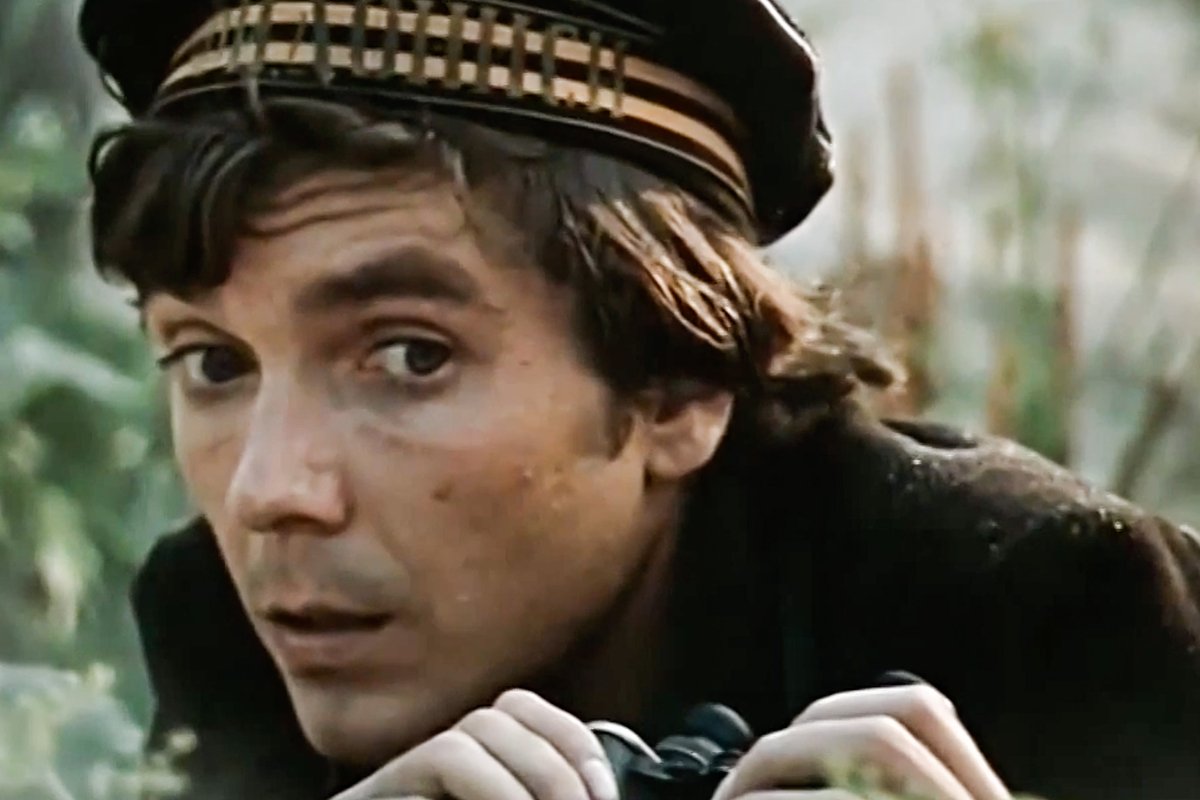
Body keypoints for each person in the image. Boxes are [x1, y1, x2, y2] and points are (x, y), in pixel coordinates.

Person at [78, 1, 1200, 798]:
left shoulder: (1040, 605)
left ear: (680, 388)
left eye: (409, 357)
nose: (270, 492)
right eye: (213, 363)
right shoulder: (223, 624)